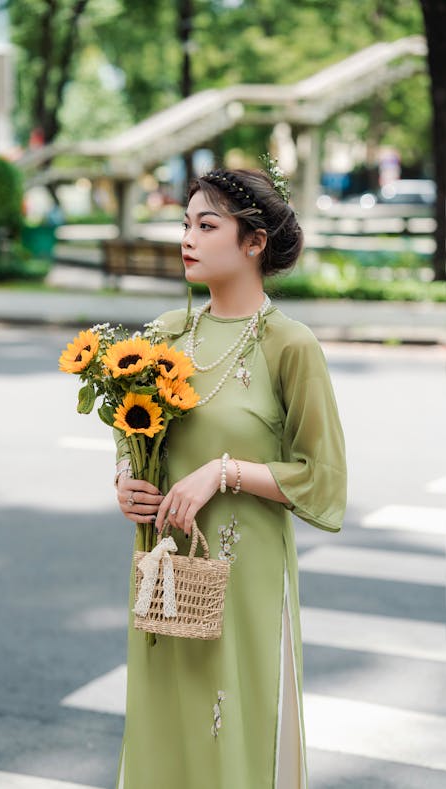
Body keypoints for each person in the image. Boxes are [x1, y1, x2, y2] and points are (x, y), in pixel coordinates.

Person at [113, 165, 347, 789]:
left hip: (246, 579)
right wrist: (125, 480)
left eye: (206, 225)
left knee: (235, 729)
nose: (187, 237)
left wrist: (223, 473)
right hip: (167, 571)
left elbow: (322, 478)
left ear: (254, 242)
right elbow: (132, 435)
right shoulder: (164, 336)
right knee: (166, 728)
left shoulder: (288, 345)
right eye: (185, 223)